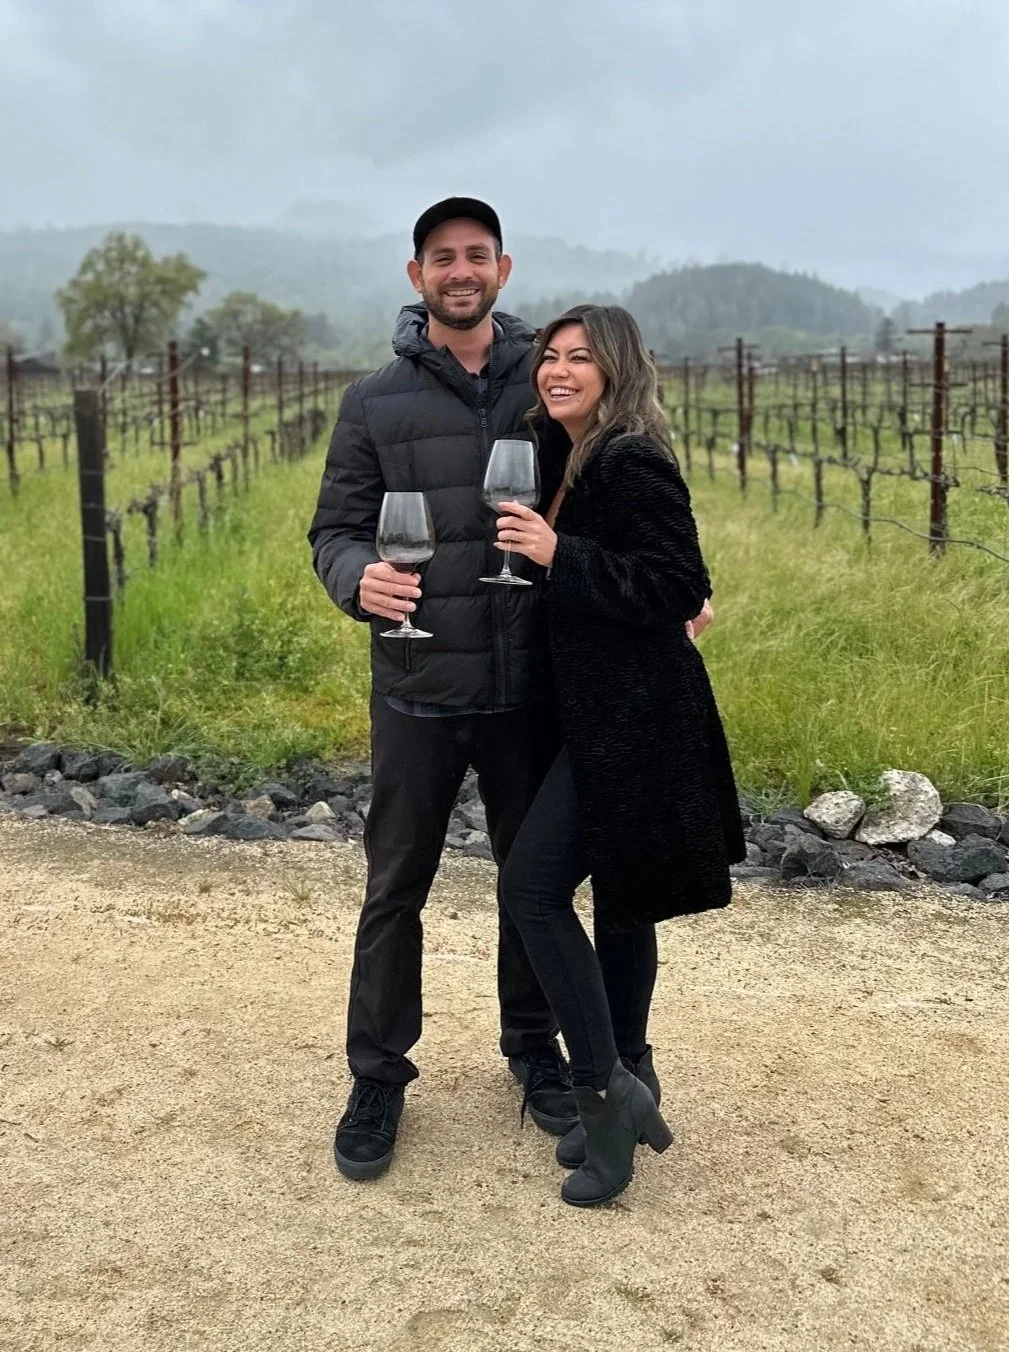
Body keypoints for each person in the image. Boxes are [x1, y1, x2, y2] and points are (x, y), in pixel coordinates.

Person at [307, 198, 579, 1181]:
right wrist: (357, 579)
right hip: (416, 685)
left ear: (502, 269)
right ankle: (378, 1074)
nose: (459, 270)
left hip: (527, 688)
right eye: (441, 257)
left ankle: (533, 1048)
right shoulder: (373, 401)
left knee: (532, 884)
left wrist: (678, 579)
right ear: (416, 274)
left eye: (476, 255)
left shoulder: (549, 384)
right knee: (395, 889)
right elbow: (335, 530)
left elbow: (618, 487)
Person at [496, 304, 746, 1208]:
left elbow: (680, 584)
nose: (558, 370)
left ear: (617, 370)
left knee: (531, 888)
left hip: (637, 717)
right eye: (549, 356)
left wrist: (559, 552)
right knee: (620, 897)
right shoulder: (568, 454)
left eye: (580, 357)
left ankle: (604, 1091)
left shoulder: (630, 458)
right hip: (596, 714)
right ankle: (630, 1073)